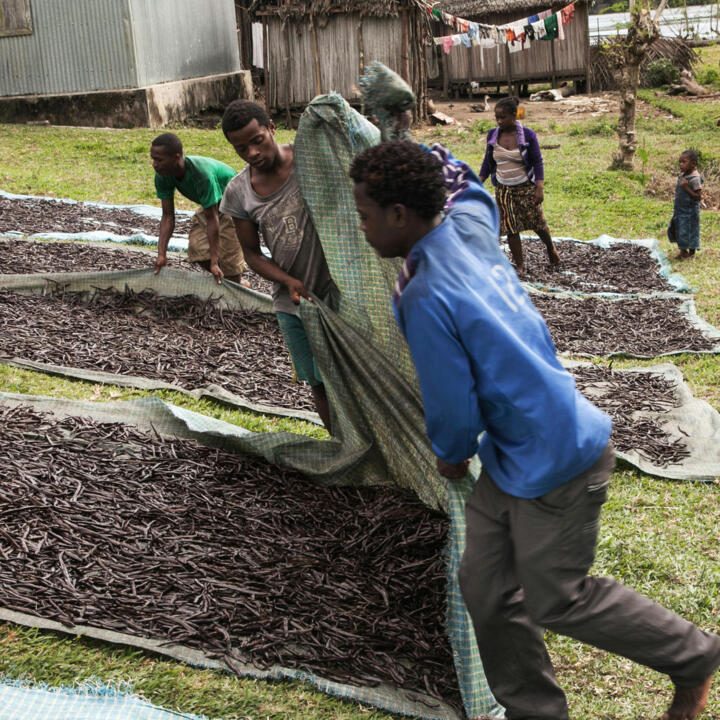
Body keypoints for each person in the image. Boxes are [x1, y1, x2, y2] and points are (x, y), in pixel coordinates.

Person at [350, 140, 720, 720]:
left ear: (399, 214)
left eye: (365, 215)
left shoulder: (423, 293)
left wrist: (449, 454)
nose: (361, 226)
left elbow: (453, 405)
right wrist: (415, 147)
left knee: (556, 599)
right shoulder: (468, 226)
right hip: (510, 458)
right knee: (486, 589)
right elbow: (469, 185)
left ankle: (693, 656)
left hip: (559, 458)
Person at [219, 100, 336, 430]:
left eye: (257, 141)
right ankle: (342, 444)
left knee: (348, 375)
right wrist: (288, 281)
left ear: (271, 127)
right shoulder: (238, 192)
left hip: (337, 290)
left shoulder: (307, 160)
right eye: (241, 148)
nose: (252, 153)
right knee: (318, 382)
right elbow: (252, 255)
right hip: (293, 303)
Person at [478, 96, 559, 275]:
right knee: (510, 227)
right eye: (497, 117)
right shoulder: (493, 135)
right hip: (503, 189)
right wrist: (478, 182)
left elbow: (537, 161)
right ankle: (520, 265)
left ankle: (551, 248)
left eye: (503, 117)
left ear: (514, 115)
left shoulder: (528, 135)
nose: (499, 121)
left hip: (525, 187)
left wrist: (539, 187)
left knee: (537, 222)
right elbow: (487, 162)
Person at [150, 132, 246, 284]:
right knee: (197, 250)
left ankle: (238, 283)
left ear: (176, 157)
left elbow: (212, 219)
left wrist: (214, 261)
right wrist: (161, 254)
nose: (155, 164)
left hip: (235, 203)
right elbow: (167, 216)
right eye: (153, 159)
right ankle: (231, 280)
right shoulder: (163, 175)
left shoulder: (201, 174)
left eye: (159, 160)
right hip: (212, 204)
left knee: (230, 263)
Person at [671, 149, 703, 260]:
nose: (681, 164)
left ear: (693, 164)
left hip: (690, 212)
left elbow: (698, 197)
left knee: (690, 231)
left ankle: (691, 253)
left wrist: (686, 187)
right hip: (680, 210)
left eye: (684, 162)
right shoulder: (683, 175)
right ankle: (683, 252)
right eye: (679, 162)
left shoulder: (695, 178)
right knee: (680, 230)